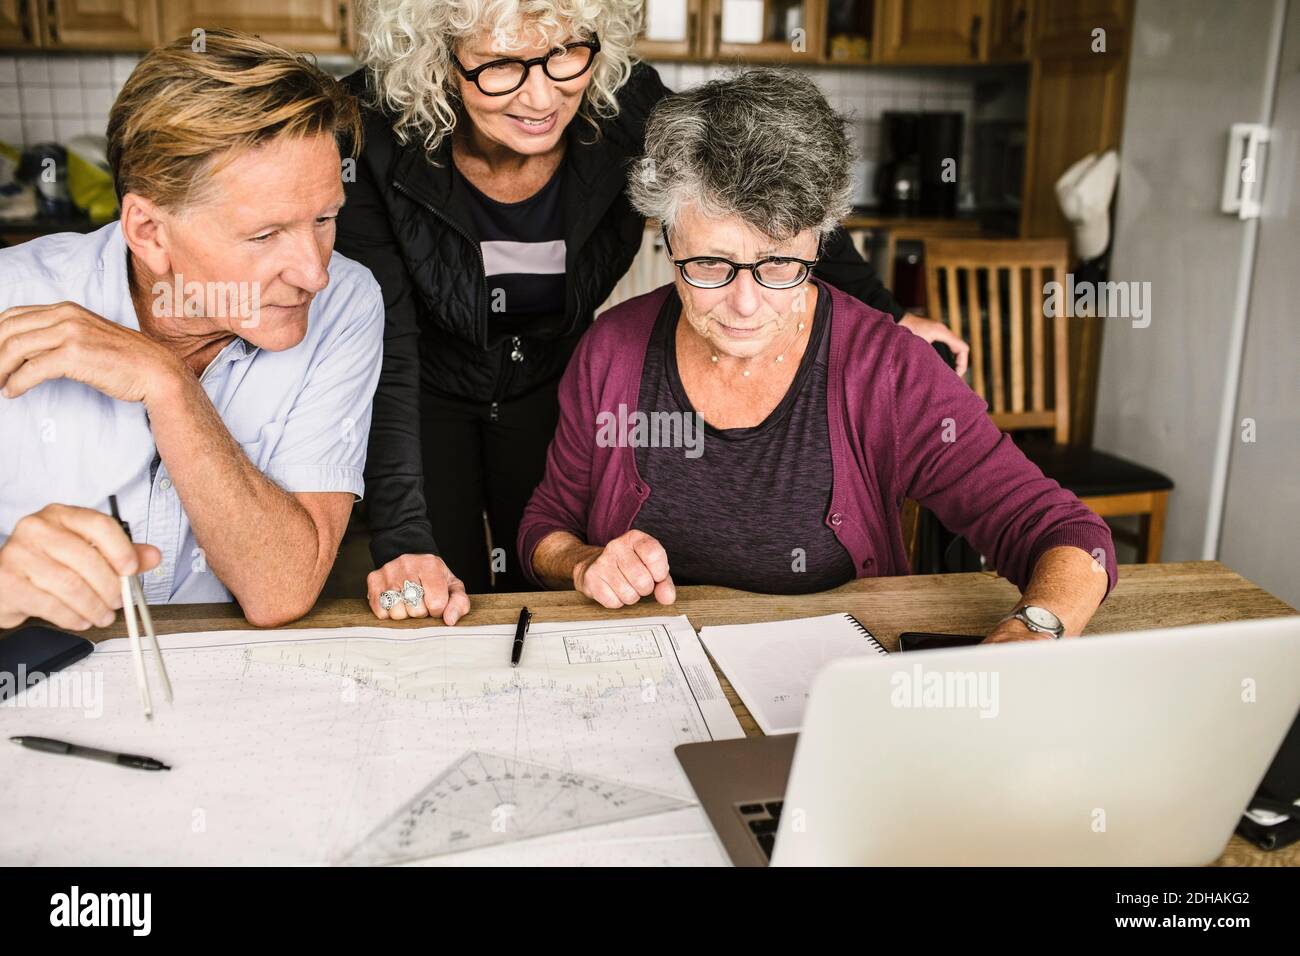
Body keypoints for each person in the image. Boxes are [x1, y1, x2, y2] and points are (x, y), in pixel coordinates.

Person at [337, 0, 968, 620]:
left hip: (547, 378)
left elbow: (764, 188)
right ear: (439, 61)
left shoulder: (625, 103)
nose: (540, 99)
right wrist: (404, 540)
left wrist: (889, 313)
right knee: (443, 593)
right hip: (424, 386)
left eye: (564, 55)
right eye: (501, 65)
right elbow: (390, 336)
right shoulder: (371, 130)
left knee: (547, 586)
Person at [517, 69, 1116, 643]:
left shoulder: (888, 369)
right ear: (666, 239)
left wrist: (1034, 628)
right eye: (710, 265)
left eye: (780, 264)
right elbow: (545, 525)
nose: (745, 303)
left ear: (819, 242)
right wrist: (583, 562)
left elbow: (1066, 534)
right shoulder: (610, 350)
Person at [0, 31, 388, 631]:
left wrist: (166, 383)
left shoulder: (348, 303)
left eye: (325, 218)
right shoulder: (13, 298)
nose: (314, 273)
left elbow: (279, 589)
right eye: (265, 235)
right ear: (149, 232)